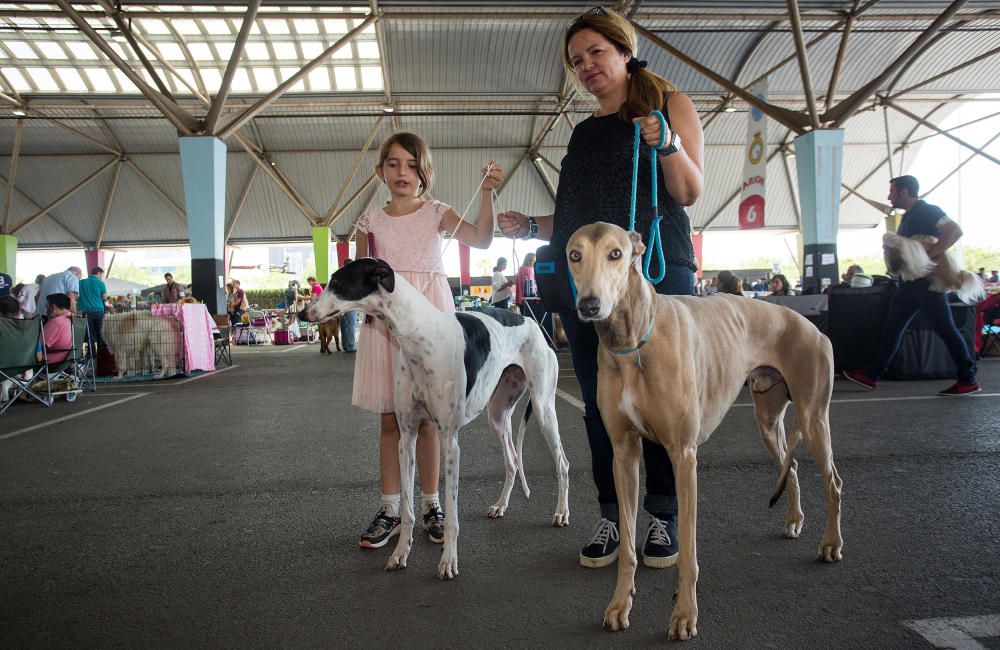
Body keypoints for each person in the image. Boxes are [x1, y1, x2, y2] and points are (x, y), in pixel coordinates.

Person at [498, 6, 703, 570]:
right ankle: (614, 513)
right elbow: (576, 221)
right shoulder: (584, 132)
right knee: (599, 404)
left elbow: (688, 191)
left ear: (624, 50)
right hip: (590, 285)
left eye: (595, 53)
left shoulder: (668, 105)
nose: (586, 66)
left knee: (665, 403)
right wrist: (533, 227)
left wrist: (666, 144)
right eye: (576, 60)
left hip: (656, 276)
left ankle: (662, 517)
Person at [353, 131, 503, 550]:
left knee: (430, 420)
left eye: (412, 164)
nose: (403, 172)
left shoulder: (438, 212)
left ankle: (432, 504)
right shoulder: (370, 221)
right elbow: (361, 276)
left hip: (432, 321)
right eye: (394, 164)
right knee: (390, 418)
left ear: (425, 173)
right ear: (380, 170)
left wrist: (488, 193)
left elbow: (483, 239)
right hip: (386, 327)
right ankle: (390, 508)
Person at [843, 175, 980, 396]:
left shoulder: (928, 211)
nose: (889, 196)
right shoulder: (908, 217)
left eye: (892, 192)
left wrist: (929, 257)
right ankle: (872, 375)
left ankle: (968, 378)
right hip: (909, 285)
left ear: (904, 192)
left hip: (927, 285)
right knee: (893, 329)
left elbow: (954, 231)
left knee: (945, 329)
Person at [37, 292, 74, 364]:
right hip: (68, 359)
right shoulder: (73, 319)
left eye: (47, 306)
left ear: (53, 307)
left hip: (49, 362)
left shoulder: (56, 323)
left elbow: (37, 345)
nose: (46, 310)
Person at [77, 266, 109, 348]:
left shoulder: (81, 282)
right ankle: (101, 352)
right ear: (98, 273)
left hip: (85, 311)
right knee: (100, 332)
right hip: (98, 310)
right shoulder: (100, 283)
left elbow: (76, 295)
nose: (101, 277)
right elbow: (104, 298)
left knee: (89, 333)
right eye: (101, 275)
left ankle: (92, 353)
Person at [339, 258, 358, 353]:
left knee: (344, 325)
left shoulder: (339, 275)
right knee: (351, 324)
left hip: (340, 304)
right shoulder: (352, 276)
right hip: (350, 304)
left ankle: (345, 345)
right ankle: (350, 346)